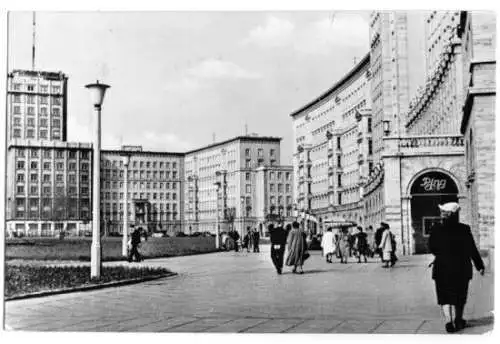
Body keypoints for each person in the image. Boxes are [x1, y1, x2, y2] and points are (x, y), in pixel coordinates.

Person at [429, 202, 485, 333]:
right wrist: (479, 265)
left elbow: (432, 247)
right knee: (460, 295)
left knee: (444, 296)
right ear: (456, 214)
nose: (441, 213)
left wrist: (441, 253)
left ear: (446, 214)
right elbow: (472, 249)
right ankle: (458, 320)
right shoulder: (464, 229)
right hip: (461, 267)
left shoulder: (436, 229)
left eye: (442, 212)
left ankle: (449, 322)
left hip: (442, 267)